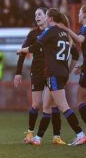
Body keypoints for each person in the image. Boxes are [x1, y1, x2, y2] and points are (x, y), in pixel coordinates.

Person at [17, 8, 86, 146]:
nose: (45, 19)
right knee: (47, 105)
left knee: (63, 106)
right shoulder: (64, 33)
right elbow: (74, 53)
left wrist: (21, 50)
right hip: (62, 71)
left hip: (53, 73)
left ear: (50, 18)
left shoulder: (50, 31)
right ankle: (38, 138)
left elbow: (35, 47)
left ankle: (80, 134)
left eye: (46, 16)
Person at [14, 7, 66, 145]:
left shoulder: (53, 32)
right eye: (35, 15)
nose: (37, 17)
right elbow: (22, 53)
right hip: (37, 72)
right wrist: (18, 72)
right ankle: (30, 133)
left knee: (53, 105)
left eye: (39, 14)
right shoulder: (33, 34)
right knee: (36, 104)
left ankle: (56, 136)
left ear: (47, 17)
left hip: (51, 71)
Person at [56, 5, 86, 127]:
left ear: (84, 15)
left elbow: (80, 39)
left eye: (79, 13)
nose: (78, 15)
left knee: (80, 101)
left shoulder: (84, 29)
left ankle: (80, 134)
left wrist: (66, 29)